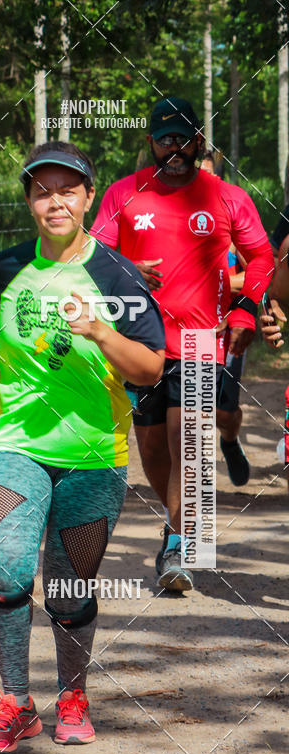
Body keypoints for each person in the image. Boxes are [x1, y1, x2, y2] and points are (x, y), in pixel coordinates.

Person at [0, 141, 165, 753]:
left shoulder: (119, 276)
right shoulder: (5, 267)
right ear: (30, 200)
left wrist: (101, 331)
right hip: (16, 443)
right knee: (3, 566)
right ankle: (16, 702)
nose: (54, 200)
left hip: (92, 456)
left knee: (69, 587)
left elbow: (151, 370)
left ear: (87, 196)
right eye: (41, 190)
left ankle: (73, 694)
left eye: (67, 189)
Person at [90, 96, 274, 592]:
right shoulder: (122, 194)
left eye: (183, 138)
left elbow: (261, 258)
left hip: (201, 339)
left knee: (186, 440)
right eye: (165, 138)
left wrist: (245, 308)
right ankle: (177, 522)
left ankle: (178, 542)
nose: (174, 147)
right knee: (151, 445)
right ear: (150, 142)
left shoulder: (227, 196)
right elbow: (91, 255)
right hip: (140, 340)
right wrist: (126, 271)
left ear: (199, 142)